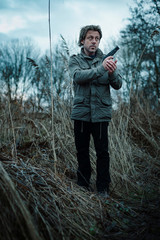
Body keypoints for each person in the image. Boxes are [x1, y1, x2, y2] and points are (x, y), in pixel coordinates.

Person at [69, 25, 122, 196]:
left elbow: (118, 84)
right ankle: (83, 186)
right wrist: (101, 69)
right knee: (82, 151)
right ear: (82, 40)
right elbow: (78, 77)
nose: (94, 41)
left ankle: (102, 189)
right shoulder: (75, 60)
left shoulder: (107, 59)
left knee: (103, 153)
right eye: (90, 38)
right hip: (81, 114)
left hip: (101, 114)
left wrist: (112, 72)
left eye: (97, 38)